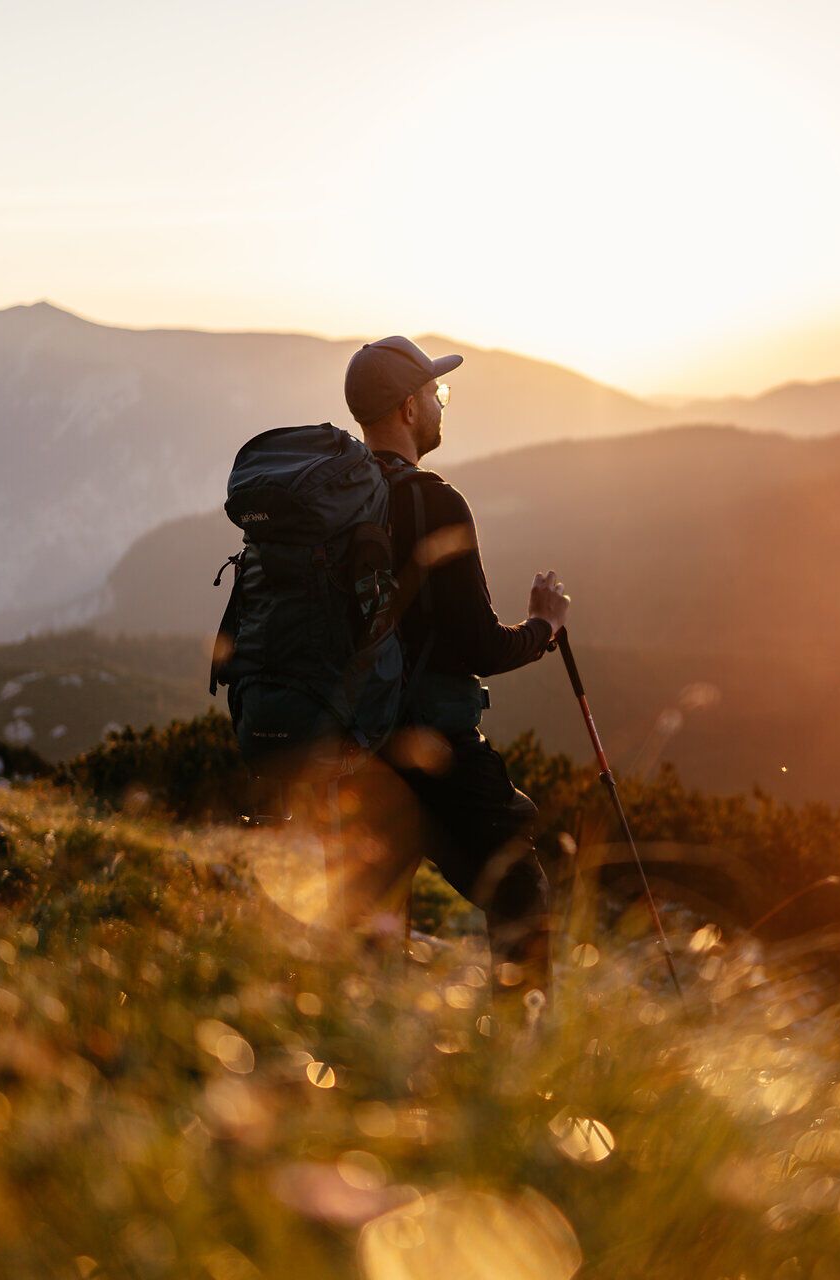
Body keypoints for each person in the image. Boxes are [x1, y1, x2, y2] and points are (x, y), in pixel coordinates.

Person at [337, 335, 570, 1021]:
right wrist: (544, 627)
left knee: (372, 930)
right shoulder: (435, 503)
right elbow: (478, 645)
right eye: (435, 393)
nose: (441, 403)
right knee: (519, 892)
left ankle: (364, 1067)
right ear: (408, 409)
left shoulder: (335, 503)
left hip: (348, 752)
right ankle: (518, 1058)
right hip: (434, 753)